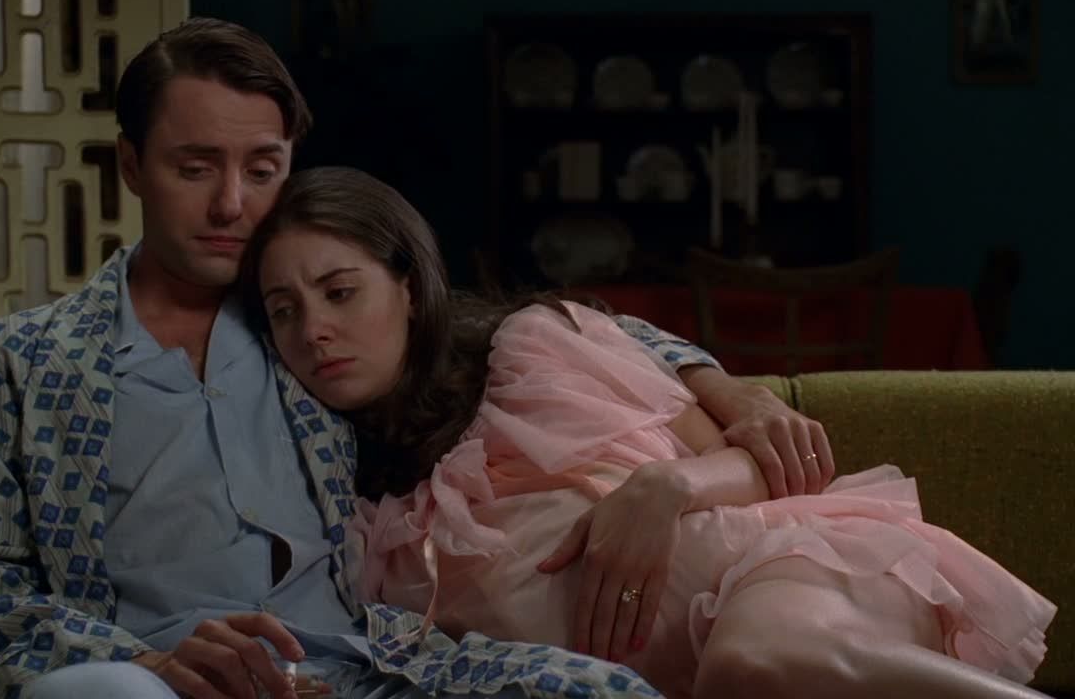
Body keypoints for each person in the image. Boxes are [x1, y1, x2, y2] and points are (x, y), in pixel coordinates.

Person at [0, 18, 831, 699]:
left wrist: (730, 391)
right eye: (194, 167)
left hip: (368, 667)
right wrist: (144, 660)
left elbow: (518, 329)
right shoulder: (16, 366)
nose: (231, 205)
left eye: (262, 170)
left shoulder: (308, 324)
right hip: (154, 676)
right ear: (131, 166)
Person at [240, 166, 1058, 699]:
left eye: (340, 292)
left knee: (753, 663)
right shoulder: (348, 509)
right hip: (689, 679)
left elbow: (759, 467)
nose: (315, 331)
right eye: (284, 311)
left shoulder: (531, 352)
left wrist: (666, 486)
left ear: (410, 288)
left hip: (782, 577)